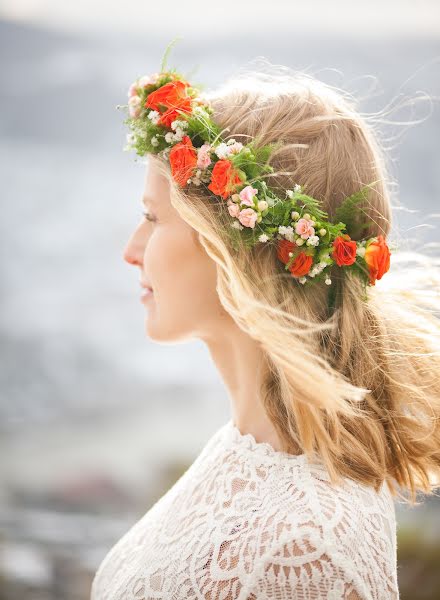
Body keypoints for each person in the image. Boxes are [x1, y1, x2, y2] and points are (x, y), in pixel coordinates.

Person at [90, 58, 440, 599]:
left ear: (235, 248)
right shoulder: (243, 449)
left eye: (154, 218)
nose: (131, 251)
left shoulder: (309, 548)